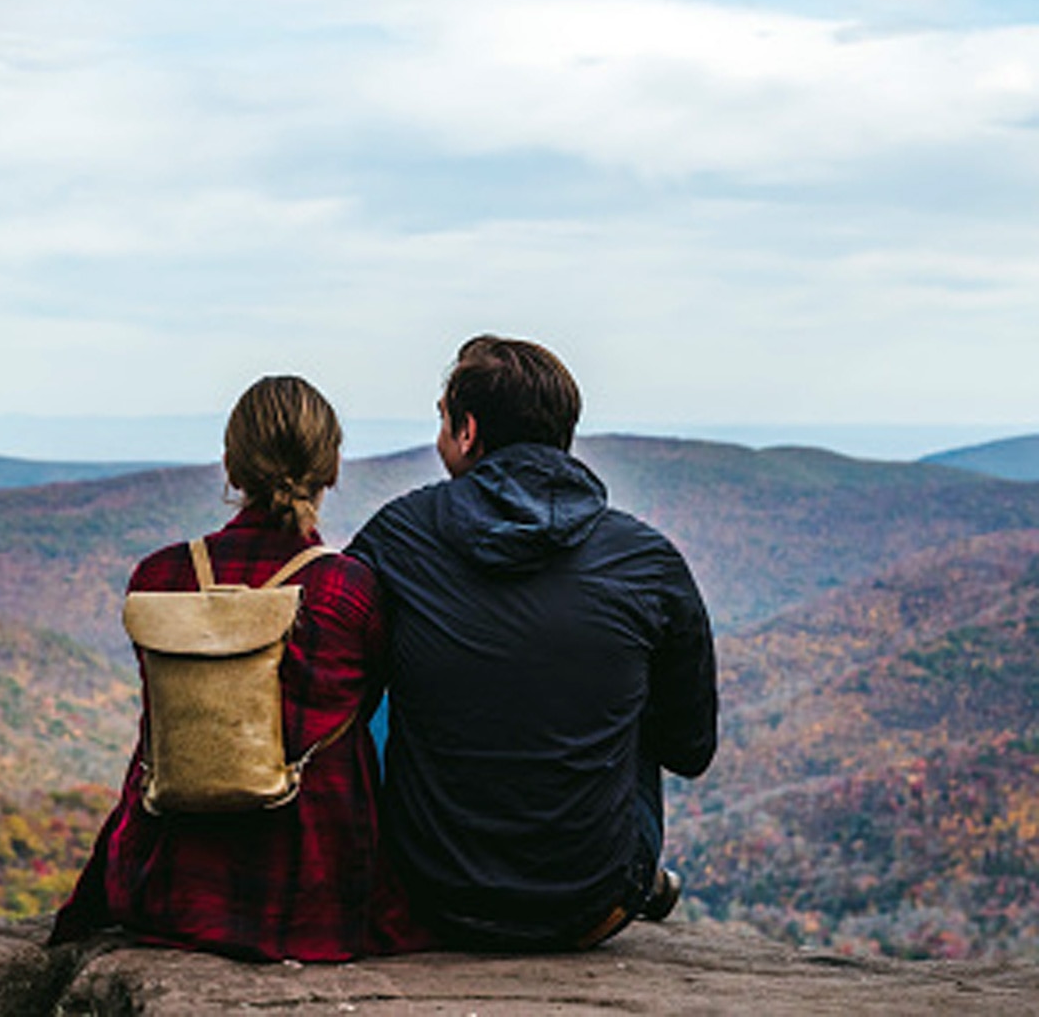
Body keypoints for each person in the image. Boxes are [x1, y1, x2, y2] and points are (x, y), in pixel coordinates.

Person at [347, 335, 718, 951]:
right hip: (592, 904)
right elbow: (689, 747)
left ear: (467, 431)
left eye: (442, 418)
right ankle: (630, 873)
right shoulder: (647, 560)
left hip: (430, 892)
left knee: (382, 659)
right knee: (622, 682)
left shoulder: (398, 538)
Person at [50, 375, 420, 961]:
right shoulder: (350, 590)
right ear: (333, 469)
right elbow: (368, 706)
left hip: (171, 884)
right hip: (316, 893)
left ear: (229, 466)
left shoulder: (159, 578)